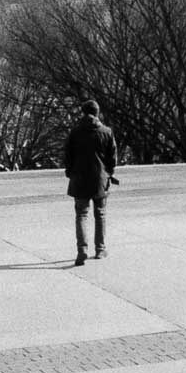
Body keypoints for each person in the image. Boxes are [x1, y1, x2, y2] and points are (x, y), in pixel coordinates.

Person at [61, 100, 117, 266]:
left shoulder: (75, 133)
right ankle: (100, 249)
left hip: (79, 179)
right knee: (100, 214)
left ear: (83, 113)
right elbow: (112, 158)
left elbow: (67, 156)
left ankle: (82, 250)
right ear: (97, 112)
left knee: (81, 215)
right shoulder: (107, 132)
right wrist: (109, 173)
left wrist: (70, 172)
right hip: (100, 179)